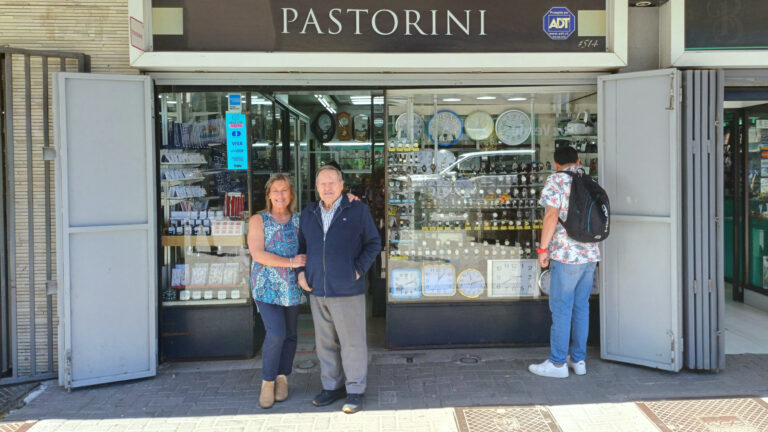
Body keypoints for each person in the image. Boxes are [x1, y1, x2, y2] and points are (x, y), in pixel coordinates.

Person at [297, 165, 381, 414]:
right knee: (325, 344)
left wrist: (357, 269)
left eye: (332, 182)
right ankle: (332, 387)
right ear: (316, 187)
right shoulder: (309, 212)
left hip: (347, 290)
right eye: (322, 183)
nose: (328, 188)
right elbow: (301, 248)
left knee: (352, 343)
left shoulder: (356, 210)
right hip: (318, 289)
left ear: (342, 185)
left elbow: (374, 242)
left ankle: (355, 390)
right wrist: (300, 273)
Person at [529, 146, 601, 379]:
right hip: (590, 254)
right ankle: (578, 360)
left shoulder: (556, 181)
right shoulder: (589, 180)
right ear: (578, 161)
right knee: (581, 307)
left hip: (565, 254)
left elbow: (551, 216)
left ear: (556, 164)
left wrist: (542, 249)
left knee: (561, 308)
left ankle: (558, 363)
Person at [247, 173, 306, 408]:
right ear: (269, 195)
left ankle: (283, 378)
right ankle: (267, 382)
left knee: (290, 334)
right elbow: (258, 254)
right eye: (276, 191)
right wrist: (291, 263)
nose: (280, 195)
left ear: (291, 194)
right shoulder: (258, 220)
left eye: (285, 190)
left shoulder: (300, 220)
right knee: (276, 333)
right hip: (266, 286)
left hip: (291, 286)